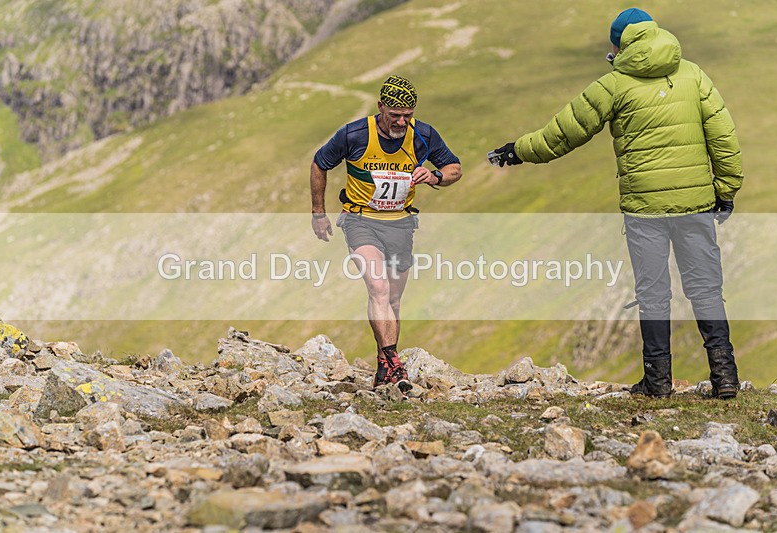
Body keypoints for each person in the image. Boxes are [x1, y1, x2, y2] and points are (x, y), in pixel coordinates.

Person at [492, 8, 743, 399]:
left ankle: (657, 382)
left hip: (644, 210)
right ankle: (725, 377)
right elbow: (724, 137)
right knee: (706, 288)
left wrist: (517, 151)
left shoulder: (614, 84)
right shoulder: (693, 74)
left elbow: (562, 133)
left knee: (654, 292)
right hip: (696, 203)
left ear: (619, 44)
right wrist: (725, 191)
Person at [311, 75, 462, 390]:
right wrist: (318, 213)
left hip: (401, 224)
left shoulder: (422, 135)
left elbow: (454, 168)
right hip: (360, 220)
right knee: (378, 288)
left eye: (408, 116)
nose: (402, 122)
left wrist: (435, 176)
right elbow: (319, 163)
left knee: (393, 299)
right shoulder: (354, 134)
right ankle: (396, 364)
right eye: (395, 115)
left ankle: (384, 369)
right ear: (380, 107)